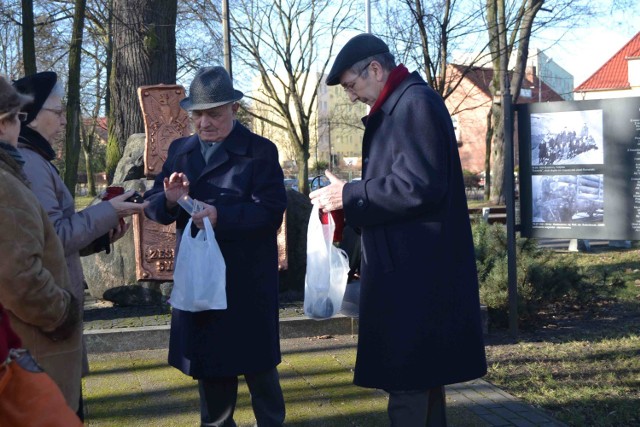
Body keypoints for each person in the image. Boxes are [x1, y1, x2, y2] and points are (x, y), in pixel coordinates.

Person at [310, 33, 487, 426]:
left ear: (375, 69)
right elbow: (407, 181)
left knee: (408, 380)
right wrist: (351, 193)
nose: (352, 97)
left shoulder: (413, 104)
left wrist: (350, 194)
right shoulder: (403, 103)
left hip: (414, 274)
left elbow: (419, 185)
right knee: (422, 379)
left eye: (352, 86)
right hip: (411, 269)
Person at [144, 66, 287, 426]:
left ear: (235, 110)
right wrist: (172, 199)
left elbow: (270, 213)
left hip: (246, 281)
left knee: (261, 376)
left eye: (214, 113)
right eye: (197, 114)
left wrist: (220, 215)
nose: (204, 123)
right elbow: (155, 207)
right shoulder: (180, 150)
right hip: (201, 282)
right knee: (213, 377)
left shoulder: (260, 151)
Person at [13, 71, 147, 420]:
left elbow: (52, 235)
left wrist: (100, 229)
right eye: (57, 112)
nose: (62, 120)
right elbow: (52, 239)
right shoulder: (30, 163)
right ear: (29, 115)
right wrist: (108, 211)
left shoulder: (36, 160)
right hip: (45, 326)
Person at [0, 75, 81, 414]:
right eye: (17, 117)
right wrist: (62, 313)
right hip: (31, 350)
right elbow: (18, 276)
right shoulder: (5, 183)